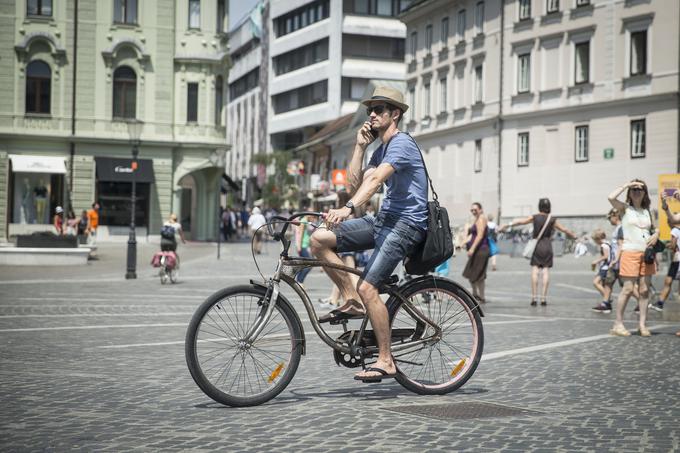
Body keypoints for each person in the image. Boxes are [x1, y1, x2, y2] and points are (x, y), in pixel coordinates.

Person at [310, 86, 426, 382]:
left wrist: (348, 209)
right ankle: (352, 300)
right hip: (383, 220)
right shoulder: (380, 148)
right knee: (319, 239)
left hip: (406, 224)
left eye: (379, 110)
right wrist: (359, 147)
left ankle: (386, 360)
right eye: (369, 110)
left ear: (395, 114)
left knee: (369, 286)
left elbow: (374, 181)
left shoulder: (402, 143)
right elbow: (354, 185)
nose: (372, 115)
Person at [499, 198, 577, 306]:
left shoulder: (535, 217)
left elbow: (521, 222)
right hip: (547, 246)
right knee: (545, 271)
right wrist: (574, 236)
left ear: (539, 206)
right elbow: (564, 229)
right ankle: (544, 298)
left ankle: (534, 297)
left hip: (537, 245)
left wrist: (508, 224)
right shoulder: (552, 219)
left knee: (535, 270)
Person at [607, 179, 658, 337]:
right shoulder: (624, 208)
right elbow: (610, 198)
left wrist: (656, 234)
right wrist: (626, 185)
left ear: (645, 193)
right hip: (630, 252)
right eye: (634, 189)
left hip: (647, 254)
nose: (637, 191)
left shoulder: (648, 211)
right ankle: (618, 324)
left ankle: (642, 325)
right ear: (630, 192)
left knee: (644, 290)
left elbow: (655, 229)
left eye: (640, 189)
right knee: (628, 289)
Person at [649, 217, 680, 312]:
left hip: (677, 259)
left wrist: (663, 245)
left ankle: (660, 303)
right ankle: (660, 303)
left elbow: (673, 245)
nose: (667, 224)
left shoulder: (675, 230)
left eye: (668, 221)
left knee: (668, 281)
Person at [463, 202, 489, 304]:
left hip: (481, 250)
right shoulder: (477, 219)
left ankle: (481, 296)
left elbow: (480, 235)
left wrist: (472, 248)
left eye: (475, 210)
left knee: (479, 275)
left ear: (481, 209)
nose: (473, 211)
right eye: (472, 210)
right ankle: (475, 294)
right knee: (470, 273)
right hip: (477, 250)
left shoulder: (481, 218)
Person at [590, 229, 613, 312]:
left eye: (595, 240)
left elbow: (606, 256)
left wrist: (596, 261)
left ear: (598, 239)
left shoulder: (603, 245)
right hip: (606, 267)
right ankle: (606, 302)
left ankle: (607, 299)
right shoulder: (608, 243)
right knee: (603, 285)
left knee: (596, 282)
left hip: (605, 267)